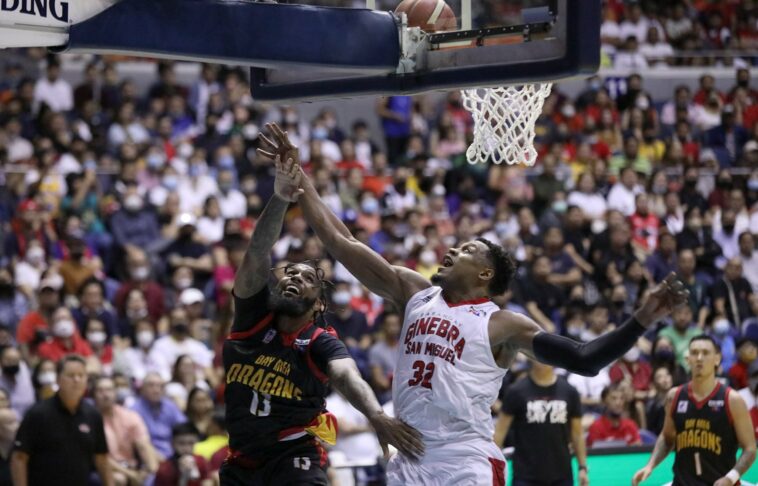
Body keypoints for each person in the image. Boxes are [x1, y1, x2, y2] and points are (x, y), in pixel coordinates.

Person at [260, 123, 688, 485]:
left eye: (464, 250)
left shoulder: (503, 324)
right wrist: (303, 181)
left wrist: (643, 318)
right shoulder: (414, 292)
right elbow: (341, 241)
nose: (449, 251)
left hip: (466, 459)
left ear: (485, 273)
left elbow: (585, 358)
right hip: (409, 456)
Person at [219, 155, 422, 486]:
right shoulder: (253, 318)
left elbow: (346, 375)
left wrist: (376, 416)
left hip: (293, 455)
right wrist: (281, 198)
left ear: (318, 305)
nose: (294, 278)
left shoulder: (320, 340)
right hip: (241, 462)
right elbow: (257, 251)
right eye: (290, 273)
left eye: (308, 278)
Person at [632, 336, 757, 486]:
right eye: (694, 353)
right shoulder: (674, 396)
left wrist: (730, 478)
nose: (699, 358)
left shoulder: (732, 400)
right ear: (687, 359)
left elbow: (750, 449)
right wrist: (650, 465)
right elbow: (666, 438)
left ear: (717, 359)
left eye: (705, 353)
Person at [11, 355, 113, 486]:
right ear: (58, 379)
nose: (76, 380)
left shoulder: (93, 415)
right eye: (71, 375)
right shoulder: (38, 413)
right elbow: (19, 457)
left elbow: (101, 458)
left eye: (81, 375)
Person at [493, 361, 588, 486]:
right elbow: (500, 432)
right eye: (539, 354)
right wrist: (493, 469)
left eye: (548, 355)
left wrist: (582, 468)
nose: (543, 360)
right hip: (525, 475)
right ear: (530, 357)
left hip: (561, 474)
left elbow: (577, 434)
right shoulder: (516, 391)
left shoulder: (569, 392)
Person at [93, 375, 159, 486]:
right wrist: (130, 474)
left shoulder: (130, 416)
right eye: (100, 390)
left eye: (109, 390)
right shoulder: (90, 418)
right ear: (93, 395)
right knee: (119, 480)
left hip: (131, 466)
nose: (105, 395)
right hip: (102, 469)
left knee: (157, 474)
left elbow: (144, 445)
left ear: (115, 392)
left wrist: (150, 470)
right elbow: (99, 458)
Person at [586, 383, 641, 447]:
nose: (618, 403)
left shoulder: (630, 425)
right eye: (613, 398)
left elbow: (638, 446)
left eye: (622, 398)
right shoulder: (595, 428)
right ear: (604, 402)